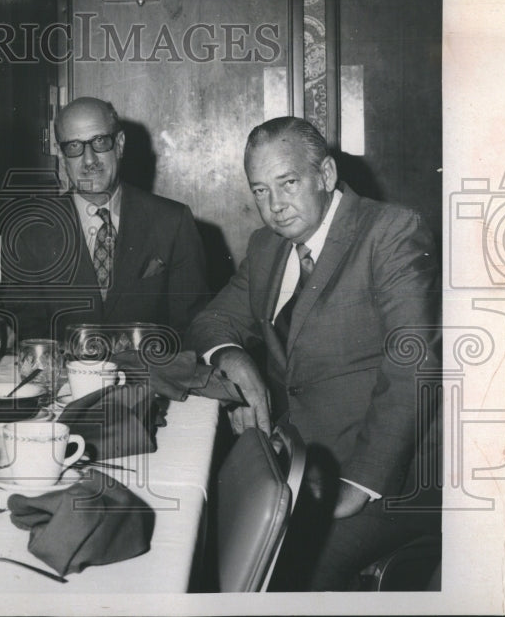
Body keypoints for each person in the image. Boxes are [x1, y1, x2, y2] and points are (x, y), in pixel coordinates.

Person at [186, 116, 440, 590]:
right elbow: (210, 320)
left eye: (288, 183)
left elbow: (414, 366)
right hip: (298, 467)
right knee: (204, 545)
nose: (276, 207)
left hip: (389, 478)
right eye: (260, 191)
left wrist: (361, 485)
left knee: (282, 574)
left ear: (324, 175)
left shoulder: (390, 232)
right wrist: (232, 357)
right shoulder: (268, 247)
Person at [1, 97, 209, 343]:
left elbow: (193, 329)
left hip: (152, 377)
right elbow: (29, 333)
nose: (89, 160)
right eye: (75, 146)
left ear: (119, 144)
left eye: (99, 142)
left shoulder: (173, 222)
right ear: (60, 153)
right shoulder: (31, 232)